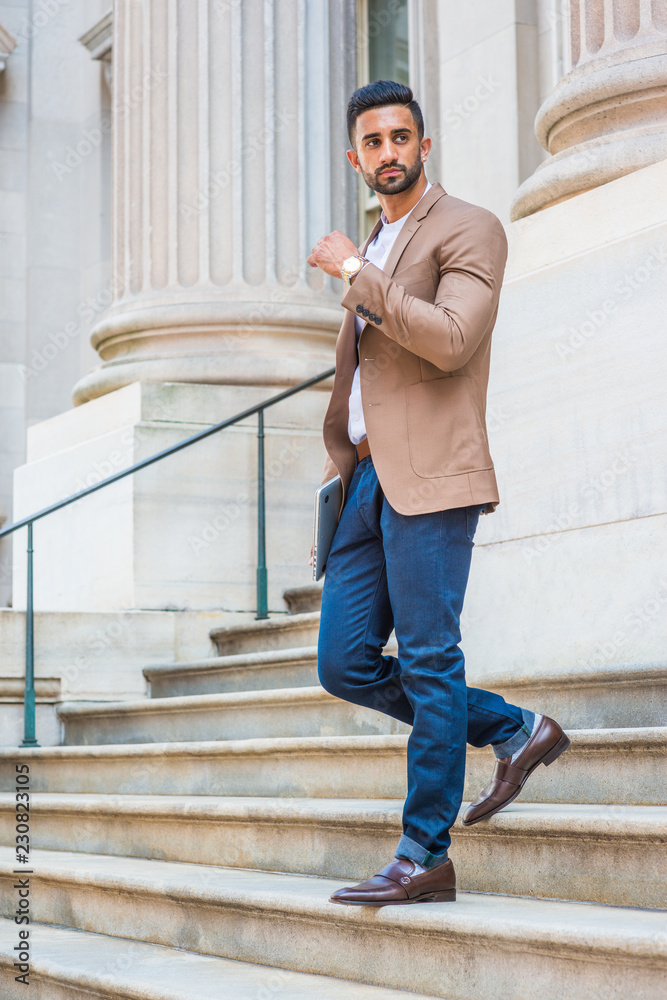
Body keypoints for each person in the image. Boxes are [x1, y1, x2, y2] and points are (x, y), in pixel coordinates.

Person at [307, 81, 570, 907]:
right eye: (373, 142)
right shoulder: (381, 245)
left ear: (425, 146)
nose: (388, 152)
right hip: (363, 484)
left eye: (401, 137)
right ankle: (508, 726)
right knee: (344, 663)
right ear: (357, 158)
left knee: (426, 661)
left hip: (432, 478)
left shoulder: (469, 228)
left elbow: (452, 341)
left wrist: (353, 270)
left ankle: (424, 853)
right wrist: (340, 461)